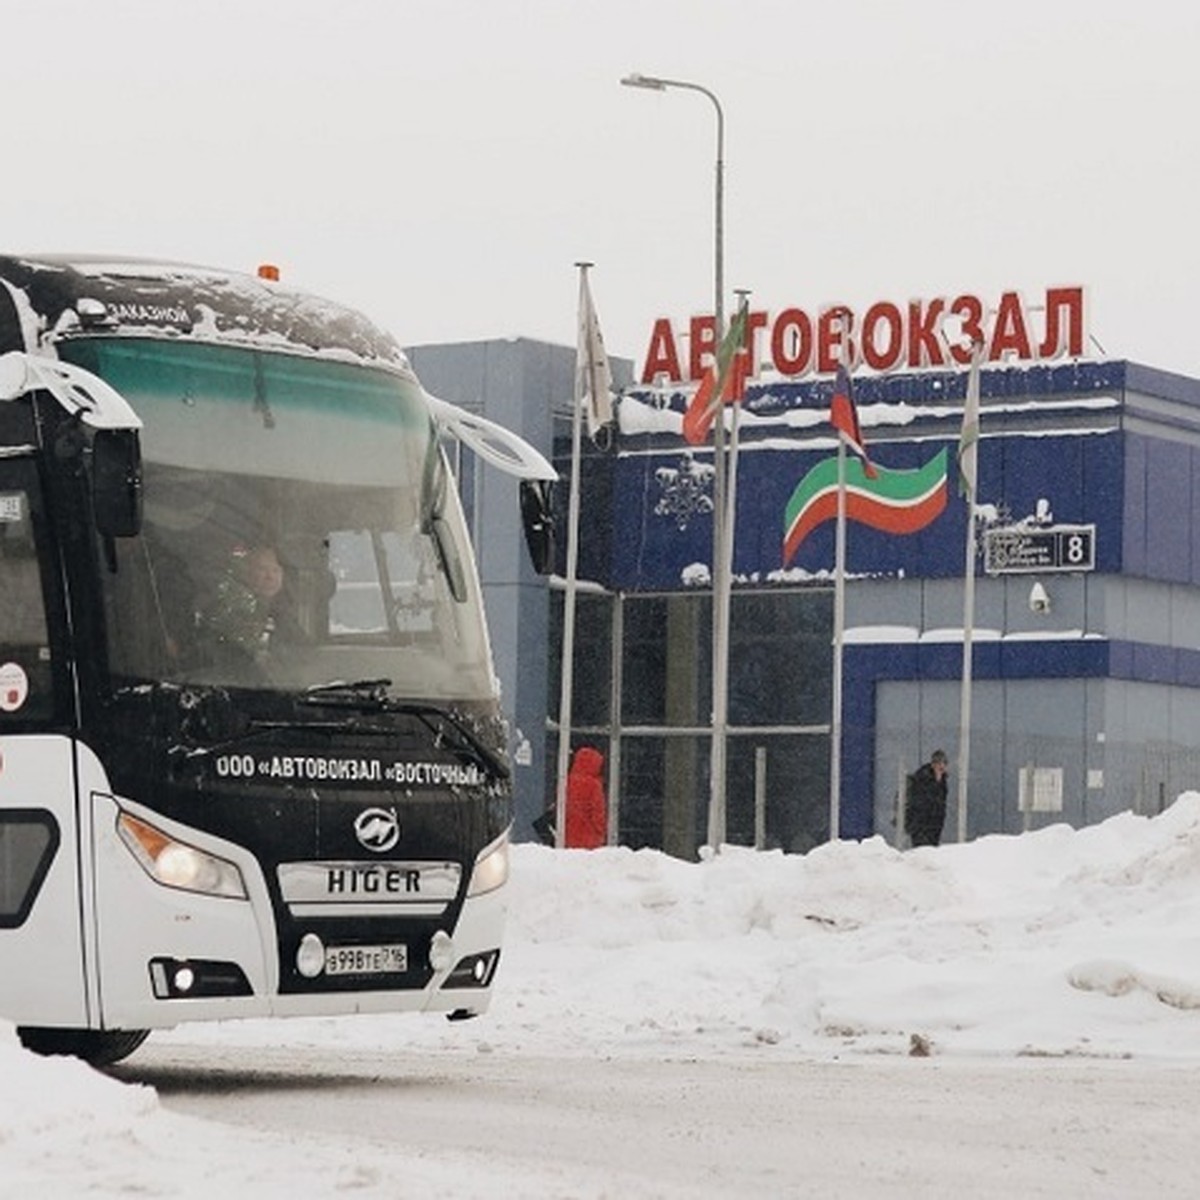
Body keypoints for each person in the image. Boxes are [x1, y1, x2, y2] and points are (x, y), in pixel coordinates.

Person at [565, 745, 607, 849]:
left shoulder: (567, 781)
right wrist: (601, 832)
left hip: (568, 835)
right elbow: (597, 812)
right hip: (589, 837)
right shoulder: (594, 785)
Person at [905, 749, 949, 847]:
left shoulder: (943, 782)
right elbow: (923, 802)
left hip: (935, 825)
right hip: (921, 825)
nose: (941, 767)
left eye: (944, 764)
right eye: (939, 764)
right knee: (922, 851)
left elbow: (941, 803)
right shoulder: (923, 778)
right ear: (933, 765)